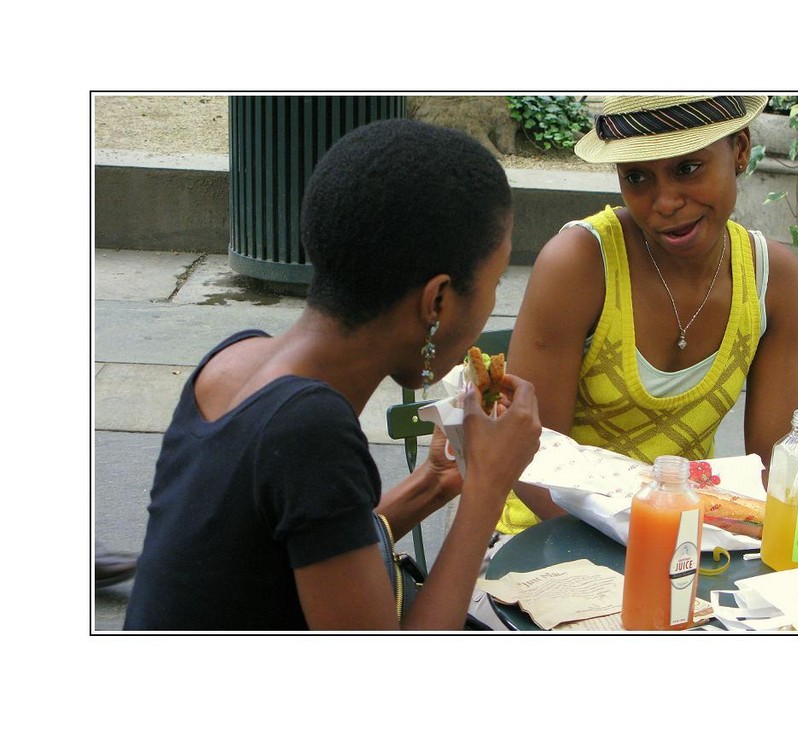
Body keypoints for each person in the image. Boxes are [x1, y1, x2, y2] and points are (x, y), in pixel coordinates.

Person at [123, 118, 541, 631]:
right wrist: (489, 489)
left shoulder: (235, 360)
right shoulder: (311, 431)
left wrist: (435, 484)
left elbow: (311, 542)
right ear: (437, 300)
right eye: (495, 282)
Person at [468, 95, 798, 627]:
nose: (664, 202)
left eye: (688, 168)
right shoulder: (581, 263)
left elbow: (779, 470)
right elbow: (531, 457)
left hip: (684, 550)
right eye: (637, 177)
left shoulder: (773, 279)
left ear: (739, 151)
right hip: (538, 544)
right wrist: (648, 547)